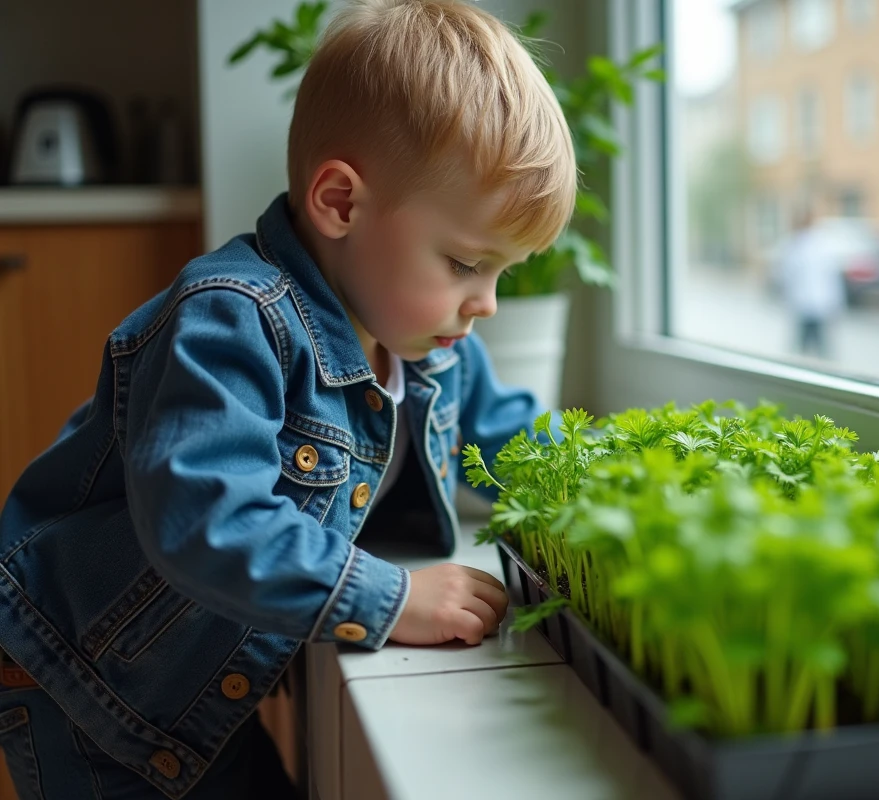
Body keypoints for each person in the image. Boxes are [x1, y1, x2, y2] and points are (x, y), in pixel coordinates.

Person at [0, 1, 575, 797]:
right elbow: (208, 520)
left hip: (192, 695)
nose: (487, 304)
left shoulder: (426, 343)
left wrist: (613, 489)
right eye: (465, 262)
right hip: (96, 693)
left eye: (502, 273)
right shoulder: (230, 320)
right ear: (339, 202)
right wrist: (392, 595)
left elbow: (507, 438)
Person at [775, 209, 846, 359]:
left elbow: (787, 276)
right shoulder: (798, 244)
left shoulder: (810, 244)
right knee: (811, 346)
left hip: (814, 302)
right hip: (810, 302)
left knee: (814, 346)